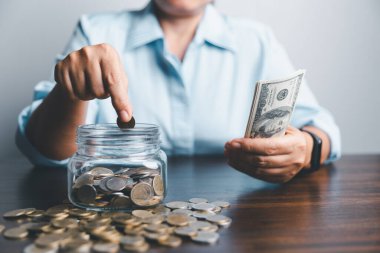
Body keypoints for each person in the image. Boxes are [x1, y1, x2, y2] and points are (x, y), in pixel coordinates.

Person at [16, 0, 341, 183]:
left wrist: (308, 148)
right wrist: (70, 92)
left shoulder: (256, 40)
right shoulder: (95, 30)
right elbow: (44, 151)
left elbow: (321, 127)